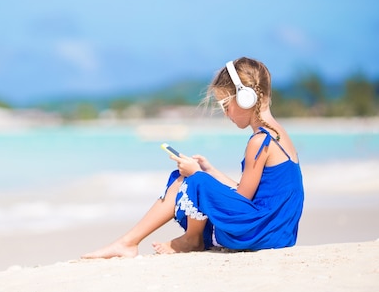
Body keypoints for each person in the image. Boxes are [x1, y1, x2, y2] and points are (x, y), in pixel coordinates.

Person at [82, 57, 304, 258]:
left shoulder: (259, 141)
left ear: (246, 98)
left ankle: (172, 240)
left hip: (263, 232)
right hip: (276, 231)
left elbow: (243, 199)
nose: (226, 114)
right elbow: (247, 192)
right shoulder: (277, 134)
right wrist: (211, 171)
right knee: (194, 177)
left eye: (226, 106)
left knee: (192, 180)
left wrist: (198, 176)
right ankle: (138, 242)